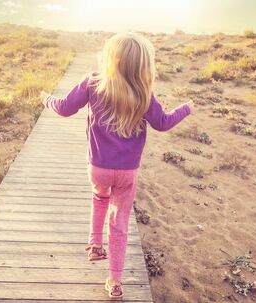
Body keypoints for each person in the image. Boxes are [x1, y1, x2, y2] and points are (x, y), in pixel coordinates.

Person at [40, 32, 194, 300]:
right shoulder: (144, 94)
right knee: (119, 222)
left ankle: (95, 243)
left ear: (110, 59)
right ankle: (114, 281)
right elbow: (164, 123)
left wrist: (46, 99)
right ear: (143, 65)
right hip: (127, 172)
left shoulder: (93, 82)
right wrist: (186, 108)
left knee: (99, 197)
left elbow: (64, 108)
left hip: (98, 167)